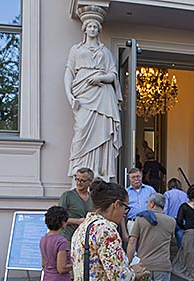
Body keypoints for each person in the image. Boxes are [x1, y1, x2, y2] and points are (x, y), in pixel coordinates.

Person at [64, 16, 122, 182]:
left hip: (103, 95)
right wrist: (69, 95)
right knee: (81, 130)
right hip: (83, 93)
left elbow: (113, 75)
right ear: (85, 29)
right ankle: (80, 172)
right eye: (89, 26)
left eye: (95, 27)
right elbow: (69, 72)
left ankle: (99, 172)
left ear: (98, 30)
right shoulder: (76, 49)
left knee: (103, 133)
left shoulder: (105, 52)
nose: (92, 29)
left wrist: (100, 79)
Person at [58, 167, 94, 242]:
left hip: (86, 240)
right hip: (68, 239)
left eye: (82, 181)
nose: (78, 183)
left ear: (90, 182)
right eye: (77, 179)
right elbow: (58, 218)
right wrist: (77, 221)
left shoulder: (93, 198)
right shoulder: (67, 196)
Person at [164, 178, 189, 247]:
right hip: (181, 220)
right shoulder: (184, 194)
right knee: (181, 243)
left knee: (166, 241)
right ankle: (181, 256)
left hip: (170, 220)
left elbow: (165, 209)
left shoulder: (167, 194)